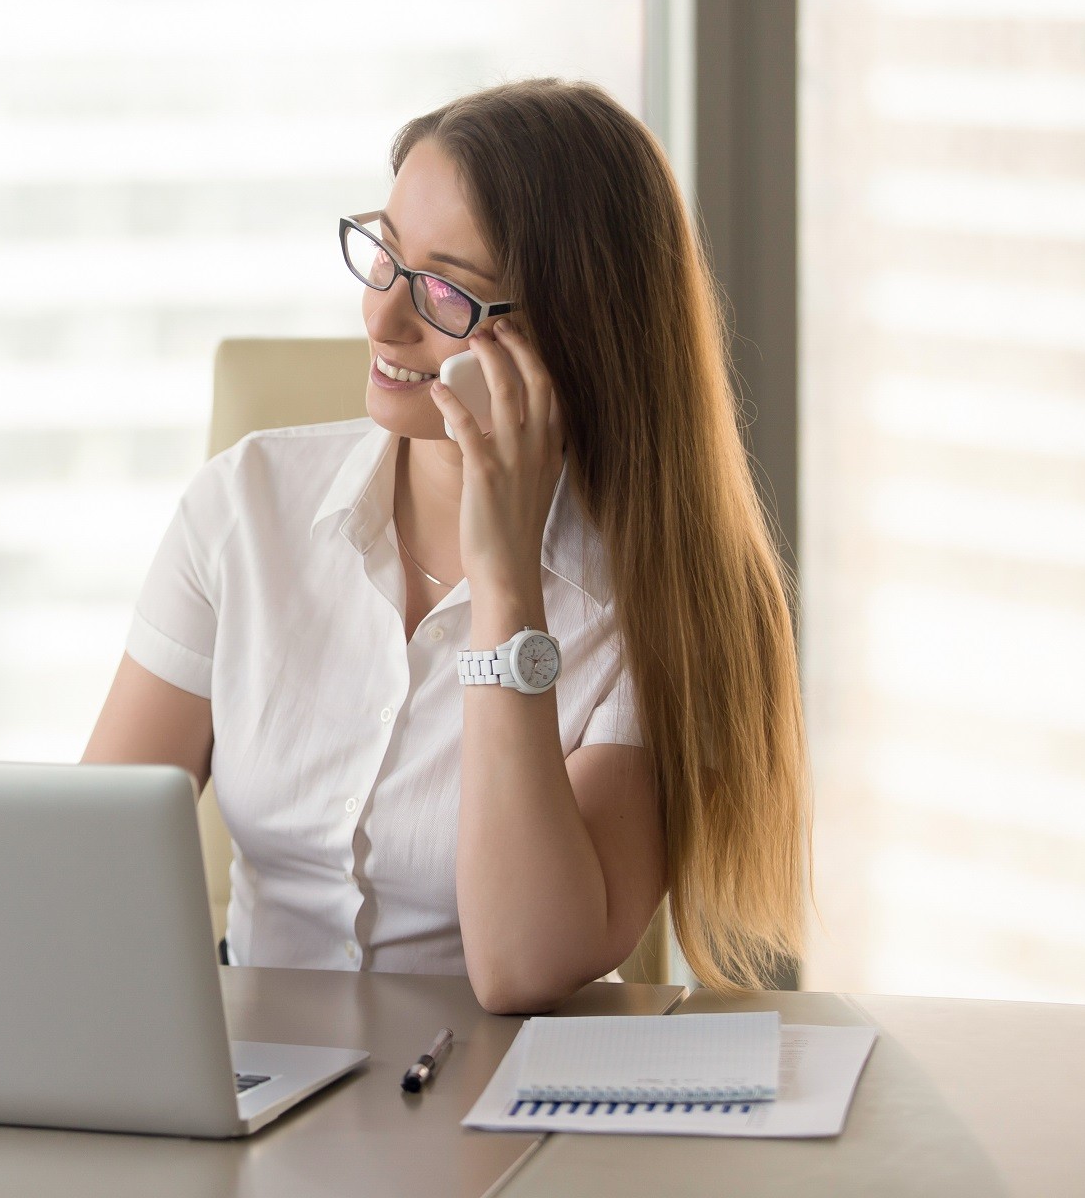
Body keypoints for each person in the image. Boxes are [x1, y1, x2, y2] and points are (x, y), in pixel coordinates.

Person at [83, 78, 808, 1013]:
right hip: (253, 1091)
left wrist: (507, 583)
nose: (383, 319)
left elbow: (524, 963)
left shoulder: (666, 597)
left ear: (578, 332)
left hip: (499, 1117)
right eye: (384, 256)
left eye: (442, 290)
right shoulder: (245, 506)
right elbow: (90, 870)